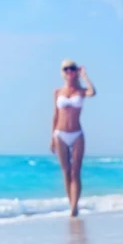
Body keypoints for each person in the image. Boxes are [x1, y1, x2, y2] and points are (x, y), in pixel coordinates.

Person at [51, 59, 96, 217]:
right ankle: (72, 205)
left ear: (76, 71)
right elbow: (55, 115)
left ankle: (74, 208)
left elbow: (93, 92)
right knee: (66, 172)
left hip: (77, 134)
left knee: (75, 172)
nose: (69, 72)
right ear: (62, 73)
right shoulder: (57, 92)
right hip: (60, 134)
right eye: (66, 69)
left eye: (72, 69)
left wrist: (85, 76)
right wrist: (52, 138)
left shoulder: (81, 91)